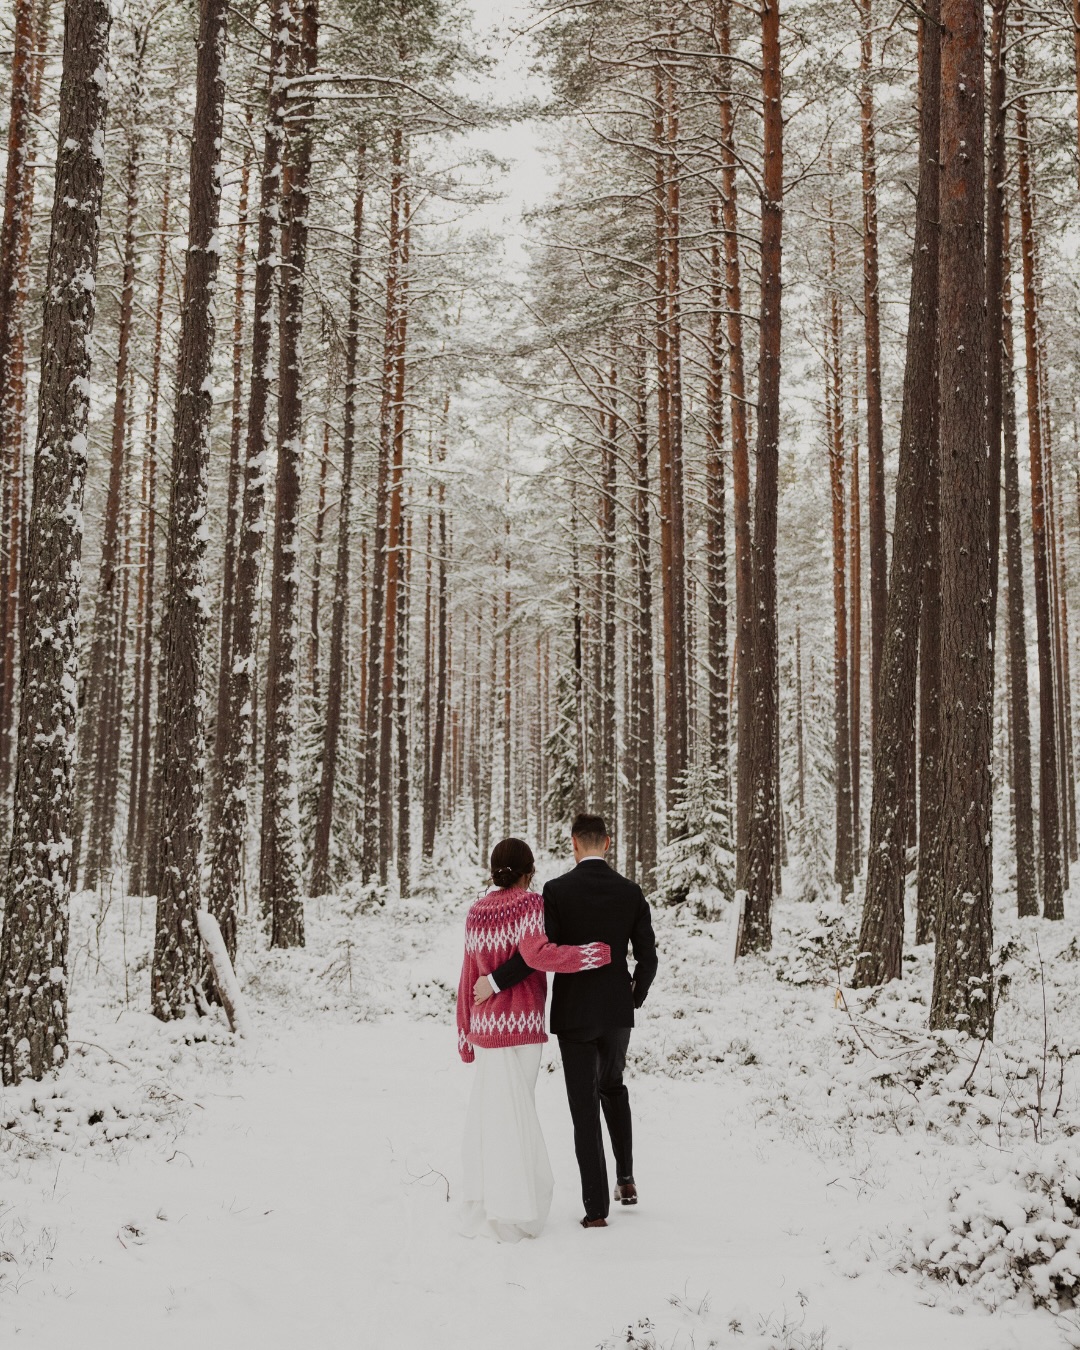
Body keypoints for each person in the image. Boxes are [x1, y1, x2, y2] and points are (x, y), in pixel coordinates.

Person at [476, 813, 658, 1229]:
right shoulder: (630, 892)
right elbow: (648, 957)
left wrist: (494, 982)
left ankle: (596, 1210)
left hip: (574, 1014)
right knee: (614, 1087)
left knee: (583, 1107)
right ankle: (626, 1178)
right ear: (607, 843)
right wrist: (634, 996)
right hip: (616, 1012)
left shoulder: (556, 892)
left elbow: (535, 954)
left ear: (573, 844)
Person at [455, 836, 611, 1242]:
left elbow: (467, 975)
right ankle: (515, 1209)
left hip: (487, 1031)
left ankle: (493, 1201)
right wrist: (593, 954)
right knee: (518, 1116)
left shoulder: (475, 912)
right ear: (529, 871)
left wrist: (464, 1034)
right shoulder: (528, 904)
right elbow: (538, 955)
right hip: (521, 1028)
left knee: (495, 1118)